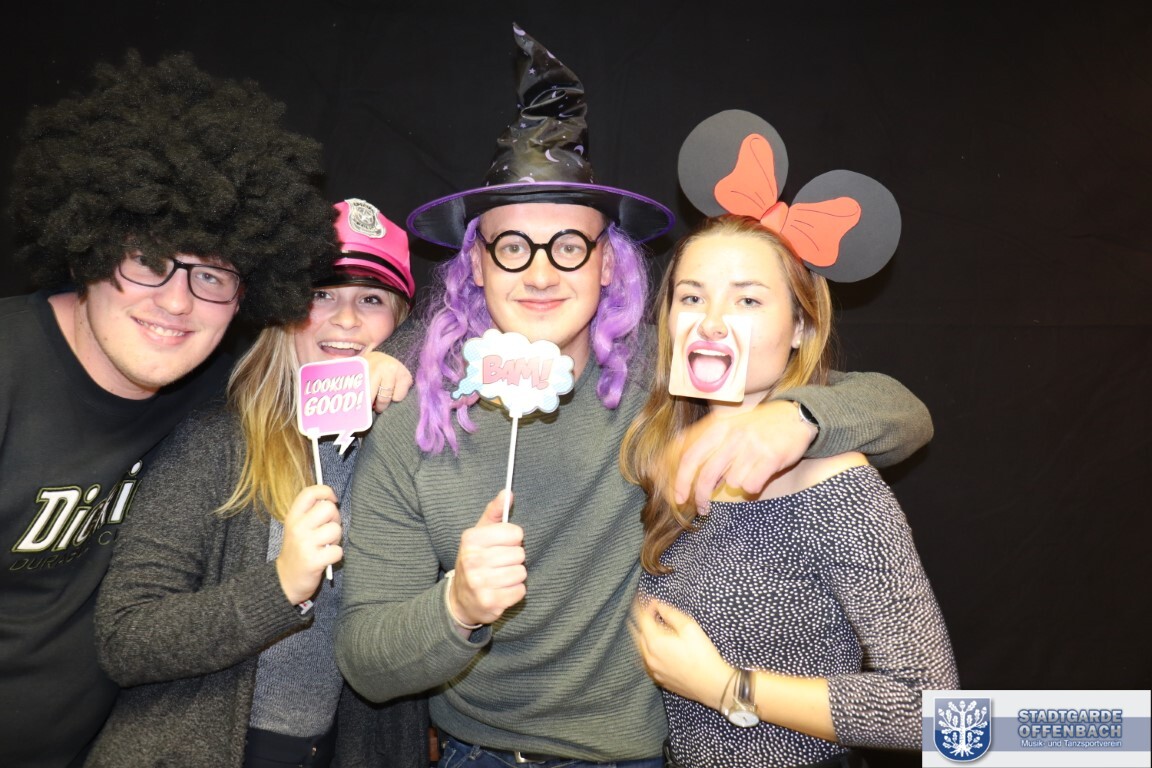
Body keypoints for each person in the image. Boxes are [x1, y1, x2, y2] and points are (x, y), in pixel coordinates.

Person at [336, 27, 934, 766]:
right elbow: (366, 660)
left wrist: (799, 417)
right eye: (512, 247)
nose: (541, 274)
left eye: (570, 245)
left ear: (609, 266)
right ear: (477, 267)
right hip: (478, 752)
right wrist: (455, 607)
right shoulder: (414, 418)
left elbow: (902, 413)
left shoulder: (666, 375)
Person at [0, 51, 338, 767]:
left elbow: (327, 361)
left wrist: (384, 363)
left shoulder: (206, 392)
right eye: (148, 261)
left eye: (211, 274)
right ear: (88, 248)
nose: (177, 302)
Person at [626, 112, 958, 768]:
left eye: (748, 300)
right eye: (691, 297)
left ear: (801, 326)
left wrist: (729, 688)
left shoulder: (836, 485)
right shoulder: (654, 445)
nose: (712, 322)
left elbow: (929, 710)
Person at [85, 199, 427, 767]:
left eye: (371, 300)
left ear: (398, 323)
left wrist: (407, 365)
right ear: (281, 313)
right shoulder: (216, 442)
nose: (346, 320)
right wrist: (281, 585)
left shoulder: (405, 449)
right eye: (321, 295)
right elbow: (126, 639)